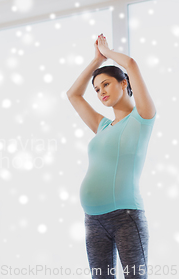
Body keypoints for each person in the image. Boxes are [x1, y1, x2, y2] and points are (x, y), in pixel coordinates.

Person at [66, 34, 155, 279]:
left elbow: (132, 64)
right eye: (97, 89)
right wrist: (96, 61)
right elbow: (73, 95)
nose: (100, 92)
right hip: (93, 220)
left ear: (124, 83)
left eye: (106, 84)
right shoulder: (103, 126)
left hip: (126, 218)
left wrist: (106, 50)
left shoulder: (141, 118)